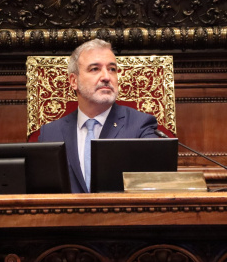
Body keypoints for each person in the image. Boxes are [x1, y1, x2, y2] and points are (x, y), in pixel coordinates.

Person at [38, 38, 158, 193]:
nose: (106, 77)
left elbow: (155, 186)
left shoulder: (140, 126)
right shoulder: (50, 134)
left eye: (112, 69)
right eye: (95, 69)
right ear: (74, 81)